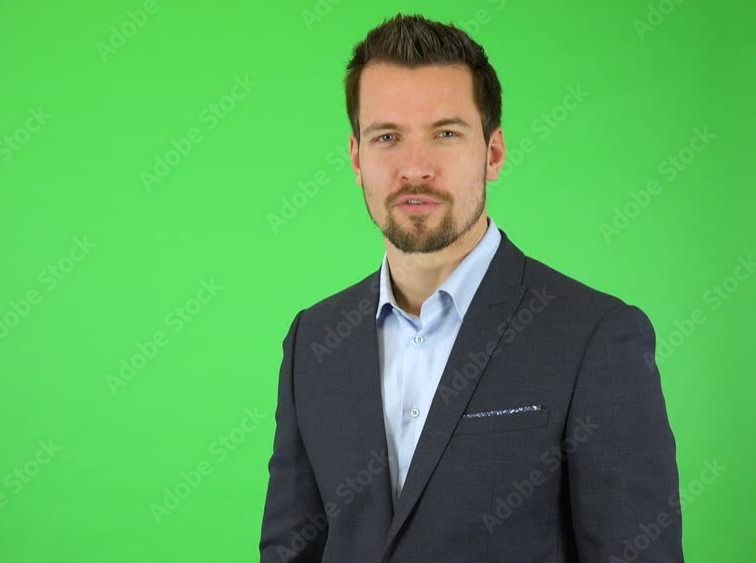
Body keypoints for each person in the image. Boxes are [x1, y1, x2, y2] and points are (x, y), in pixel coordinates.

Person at [258, 13, 682, 563]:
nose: (415, 168)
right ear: (357, 158)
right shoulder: (312, 341)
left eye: (446, 133)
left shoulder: (596, 338)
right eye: (387, 137)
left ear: (493, 153)